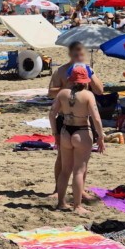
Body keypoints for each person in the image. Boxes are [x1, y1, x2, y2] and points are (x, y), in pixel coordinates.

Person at [47, 41, 105, 197]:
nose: (80, 56)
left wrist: (88, 75)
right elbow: (50, 92)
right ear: (71, 54)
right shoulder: (61, 71)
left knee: (83, 159)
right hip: (64, 116)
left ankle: (81, 190)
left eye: (81, 53)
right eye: (77, 53)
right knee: (62, 156)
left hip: (83, 118)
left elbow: (100, 90)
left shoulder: (87, 70)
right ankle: (58, 189)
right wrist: (69, 86)